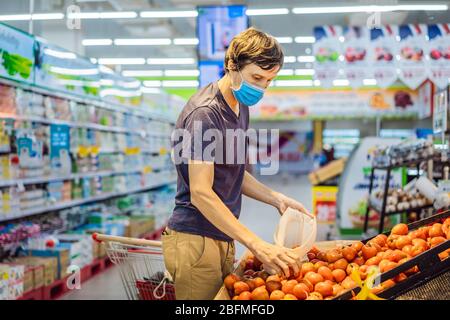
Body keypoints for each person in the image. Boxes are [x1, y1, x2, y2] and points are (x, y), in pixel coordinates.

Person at [162, 27, 312, 300]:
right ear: (232, 64)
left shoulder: (240, 107)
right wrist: (256, 244)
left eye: (269, 81)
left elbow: (234, 173)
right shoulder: (205, 114)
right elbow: (201, 192)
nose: (261, 88)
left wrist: (276, 198)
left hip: (222, 233)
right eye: (257, 77)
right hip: (197, 238)